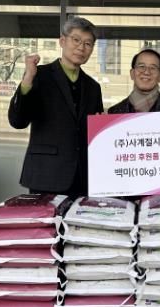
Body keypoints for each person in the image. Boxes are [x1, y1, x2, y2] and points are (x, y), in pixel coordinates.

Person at [8, 16, 103, 197]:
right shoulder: (39, 75)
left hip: (82, 178)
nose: (81, 47)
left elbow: (94, 135)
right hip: (46, 175)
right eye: (76, 40)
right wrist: (27, 80)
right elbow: (17, 121)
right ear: (62, 41)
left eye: (88, 43)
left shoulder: (93, 87)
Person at [108, 49, 160, 113]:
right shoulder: (113, 112)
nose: (146, 72)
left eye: (153, 68)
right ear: (132, 73)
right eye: (141, 66)